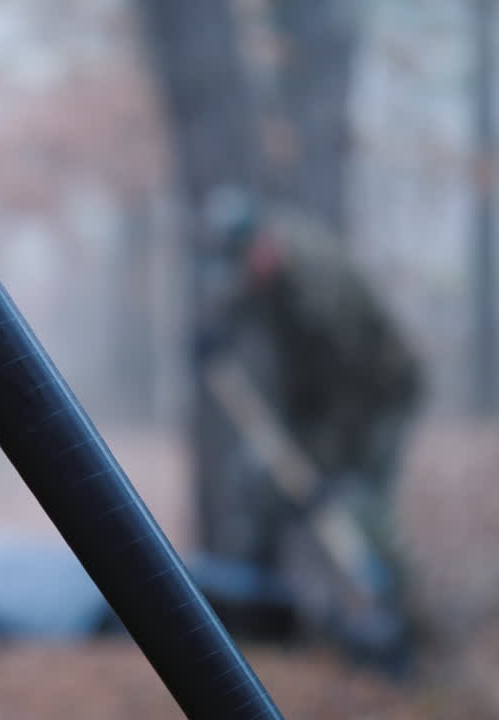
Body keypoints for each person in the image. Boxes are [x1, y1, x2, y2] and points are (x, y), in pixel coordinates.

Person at [195, 189, 423, 672]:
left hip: (380, 395)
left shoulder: (319, 286)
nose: (240, 276)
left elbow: (352, 388)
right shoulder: (265, 264)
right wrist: (212, 332)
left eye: (242, 261)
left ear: (262, 245)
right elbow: (238, 293)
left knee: (359, 501)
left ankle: (399, 622)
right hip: (326, 401)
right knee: (288, 491)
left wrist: (323, 465)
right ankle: (293, 611)